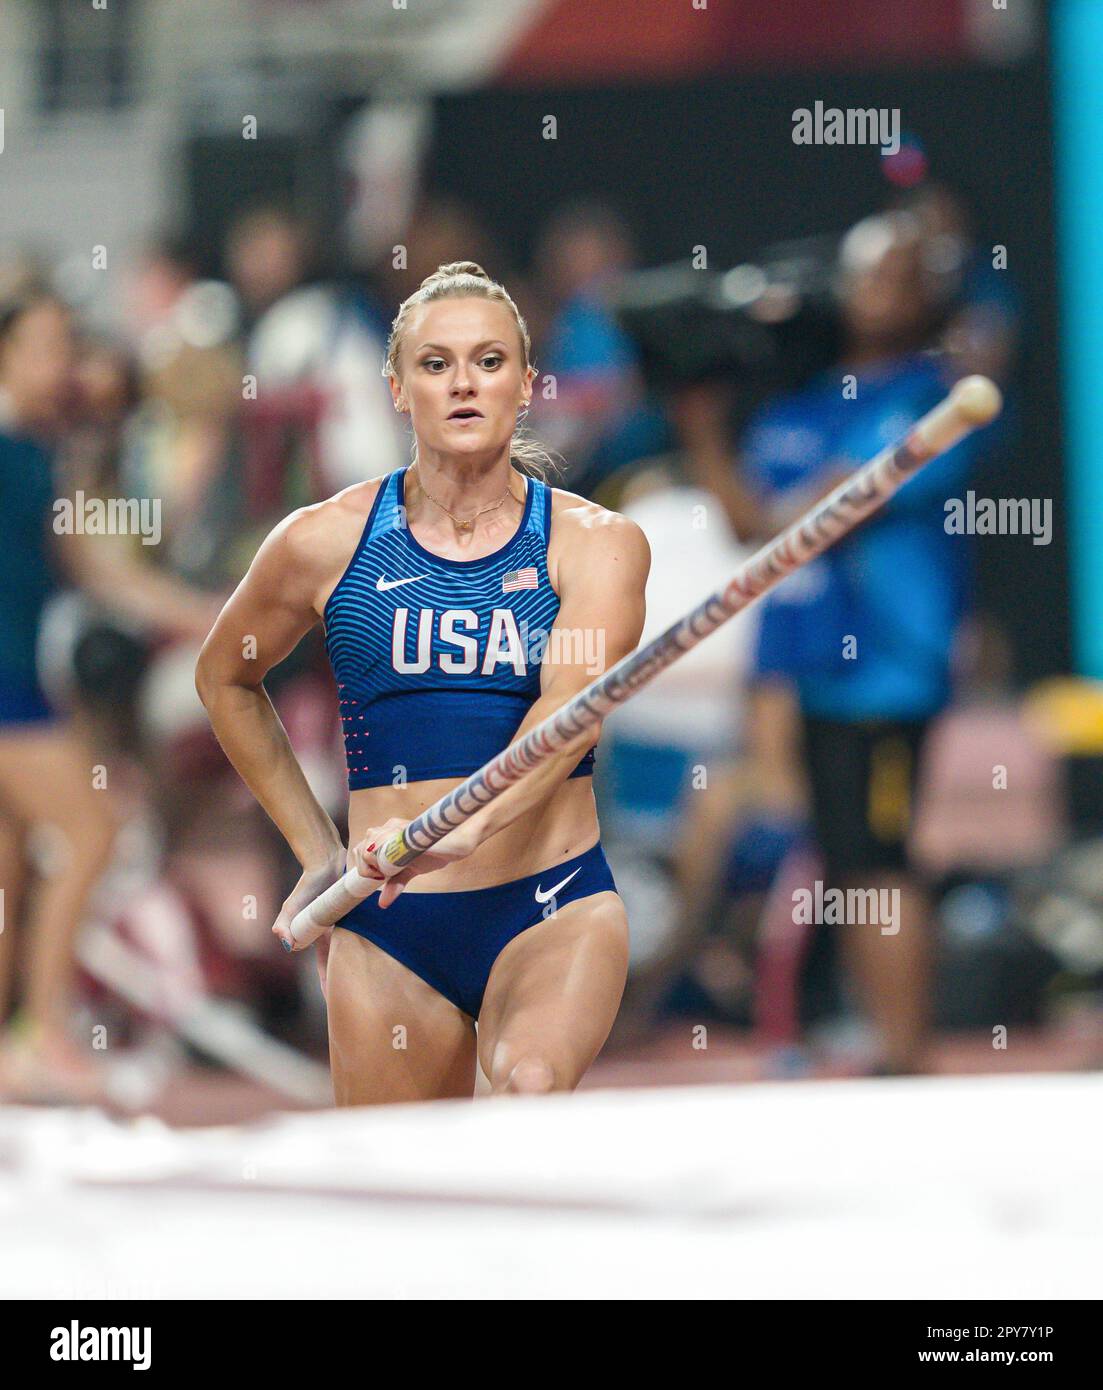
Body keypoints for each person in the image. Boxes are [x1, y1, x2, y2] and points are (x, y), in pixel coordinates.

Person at [196, 261, 650, 1105]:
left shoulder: (596, 543)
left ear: (525, 382)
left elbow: (570, 713)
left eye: (488, 361)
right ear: (398, 390)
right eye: (435, 365)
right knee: (399, 1185)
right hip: (389, 922)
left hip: (549, 904)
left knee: (531, 1087)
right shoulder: (320, 542)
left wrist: (472, 824)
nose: (463, 384)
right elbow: (225, 678)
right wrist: (313, 849)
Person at [0, 288, 218, 1102]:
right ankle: (44, 1032)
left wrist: (196, 612)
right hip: (7, 687)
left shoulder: (38, 451)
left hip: (21, 677)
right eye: (47, 347)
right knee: (90, 831)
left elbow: (93, 567)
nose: (66, 366)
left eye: (69, 345)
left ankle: (16, 1046)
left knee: (12, 867)